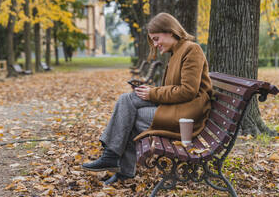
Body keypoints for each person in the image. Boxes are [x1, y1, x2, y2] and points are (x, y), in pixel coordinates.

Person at [81, 12, 213, 185]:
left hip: (188, 116)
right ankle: (111, 157)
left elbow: (188, 91)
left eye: (157, 39)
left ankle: (119, 165)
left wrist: (153, 93)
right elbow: (174, 89)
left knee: (130, 117)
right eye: (153, 40)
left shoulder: (191, 49)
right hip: (178, 107)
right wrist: (151, 90)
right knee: (126, 100)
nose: (156, 44)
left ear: (171, 32)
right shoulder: (176, 53)